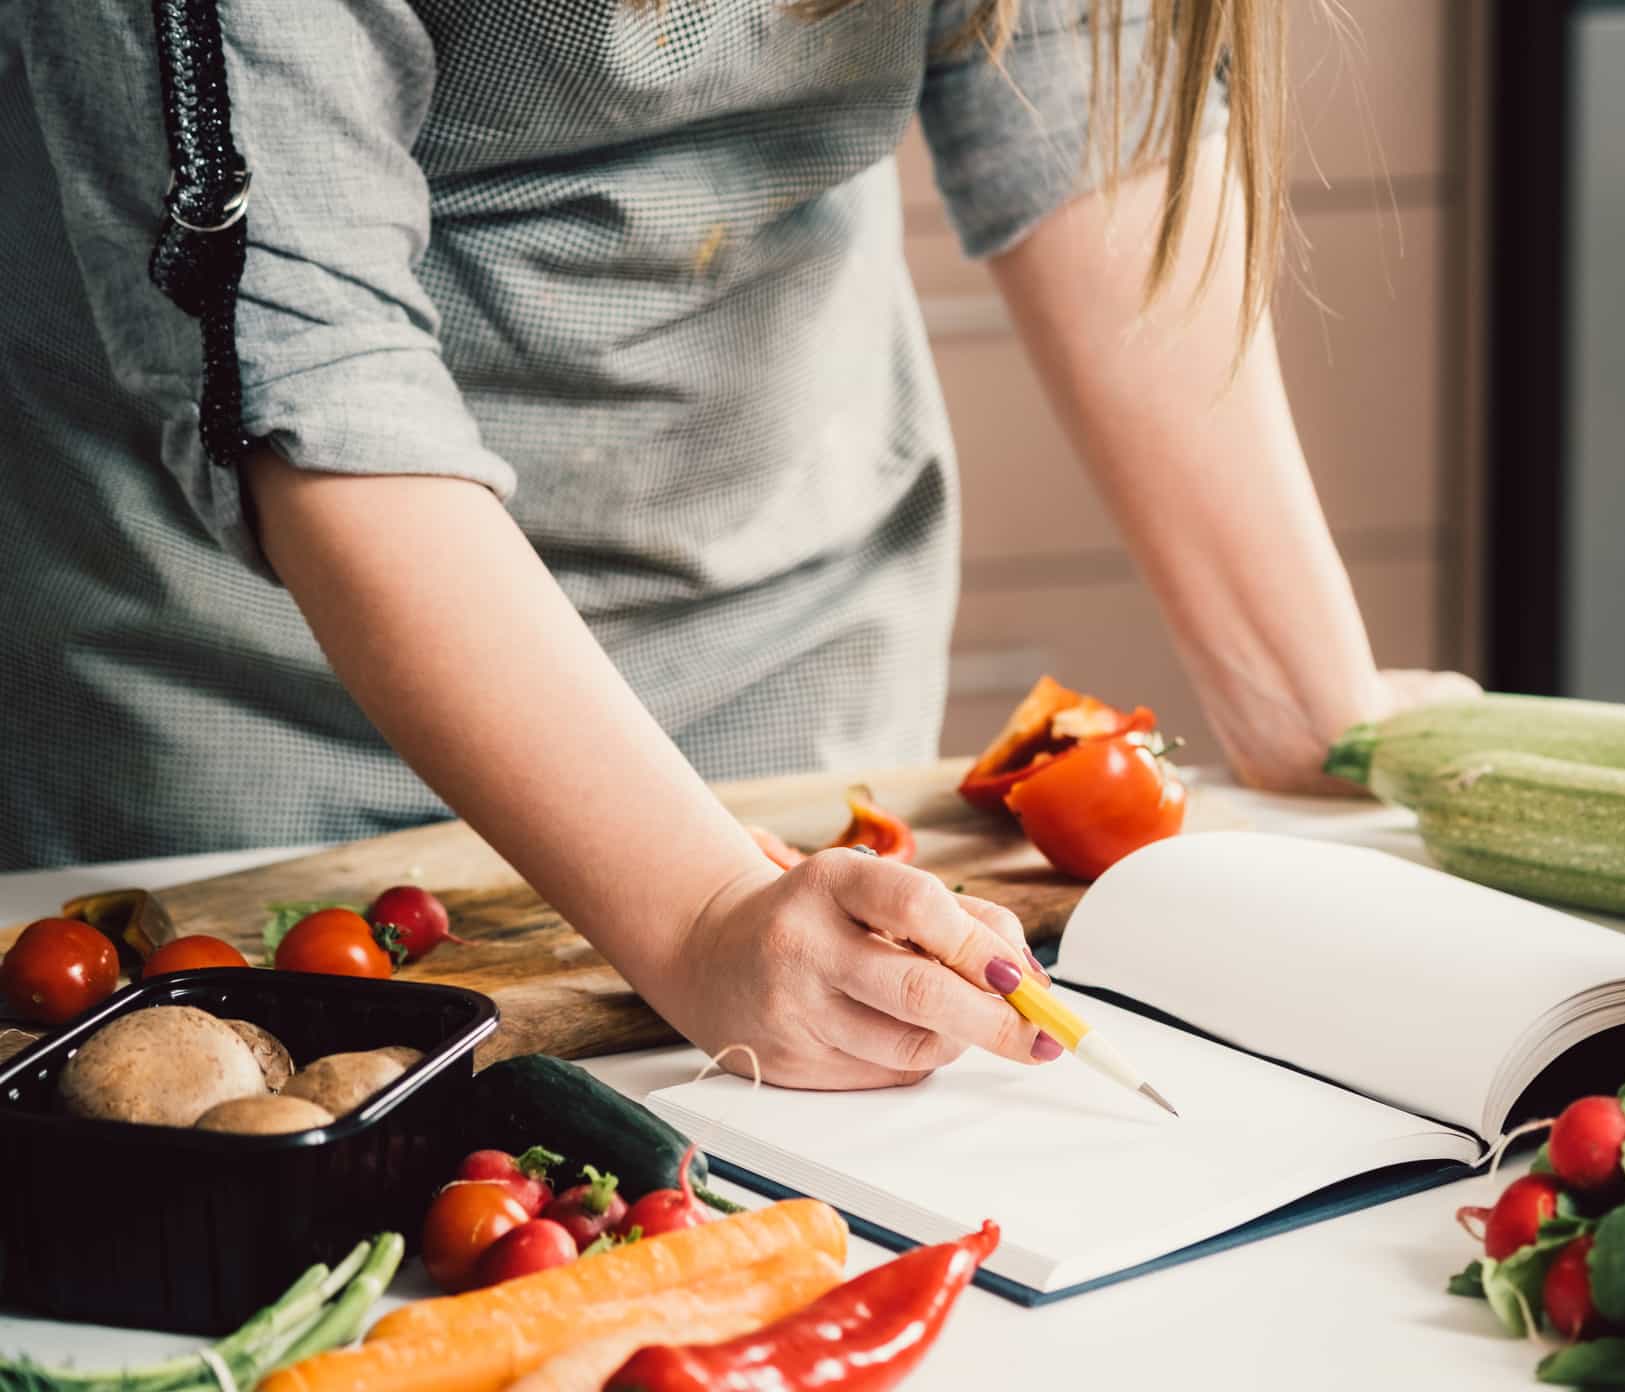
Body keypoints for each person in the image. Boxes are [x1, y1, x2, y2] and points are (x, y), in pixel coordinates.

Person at [2, 0, 1475, 1087]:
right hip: (240, 713)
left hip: (790, 666)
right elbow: (308, 370)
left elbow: (1088, 96)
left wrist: (1308, 703)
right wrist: (702, 913)